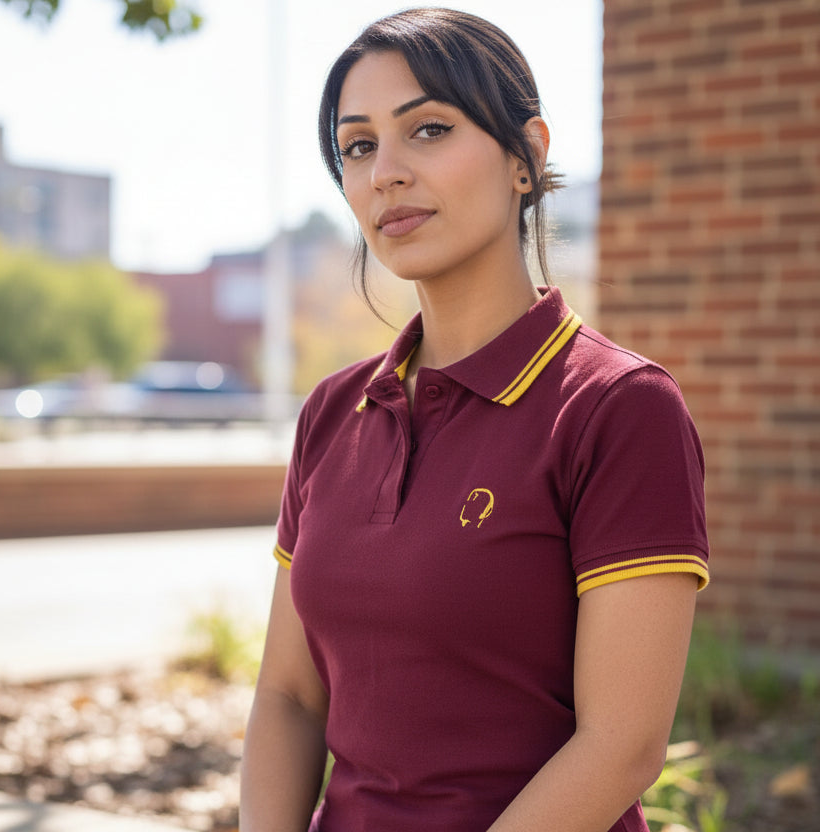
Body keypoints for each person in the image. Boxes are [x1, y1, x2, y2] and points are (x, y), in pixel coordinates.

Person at [240, 8, 709, 832]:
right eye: (358, 145)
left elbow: (624, 744)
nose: (385, 172)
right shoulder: (330, 413)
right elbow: (287, 694)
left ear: (526, 156)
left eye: (427, 129)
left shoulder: (618, 408)